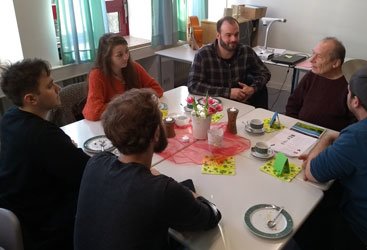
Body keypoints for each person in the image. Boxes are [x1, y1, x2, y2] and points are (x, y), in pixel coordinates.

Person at [74, 89, 222, 250]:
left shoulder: (96, 162)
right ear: (157, 133)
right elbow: (213, 216)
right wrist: (188, 193)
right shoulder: (162, 191)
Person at [295, 63, 367, 250]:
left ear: (355, 101)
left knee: (305, 224)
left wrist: (327, 137)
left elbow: (311, 173)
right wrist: (342, 136)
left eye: (348, 91)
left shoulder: (358, 138)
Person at [0, 59, 90, 250]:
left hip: (14, 209)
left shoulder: (10, 118)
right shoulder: (43, 135)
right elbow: (87, 172)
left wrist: (63, 147)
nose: (58, 88)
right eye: (50, 86)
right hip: (41, 227)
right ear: (31, 99)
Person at [187, 16, 271, 108]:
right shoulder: (203, 55)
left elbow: (265, 73)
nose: (234, 39)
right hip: (212, 107)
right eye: (228, 35)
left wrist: (252, 89)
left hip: (240, 106)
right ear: (218, 35)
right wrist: (229, 92)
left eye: (236, 34)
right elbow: (193, 85)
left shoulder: (246, 51)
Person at [83, 33, 163, 121]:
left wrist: (134, 99)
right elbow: (94, 112)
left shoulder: (134, 66)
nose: (126, 57)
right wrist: (131, 102)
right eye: (119, 55)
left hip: (133, 118)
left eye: (127, 51)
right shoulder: (97, 75)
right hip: (112, 123)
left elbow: (157, 89)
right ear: (107, 57)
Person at [285, 37, 354, 131]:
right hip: (299, 130)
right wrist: (294, 127)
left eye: (319, 56)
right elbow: (293, 105)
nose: (311, 60)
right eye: (313, 53)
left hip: (329, 137)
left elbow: (353, 125)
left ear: (336, 63)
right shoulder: (312, 75)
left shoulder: (350, 87)